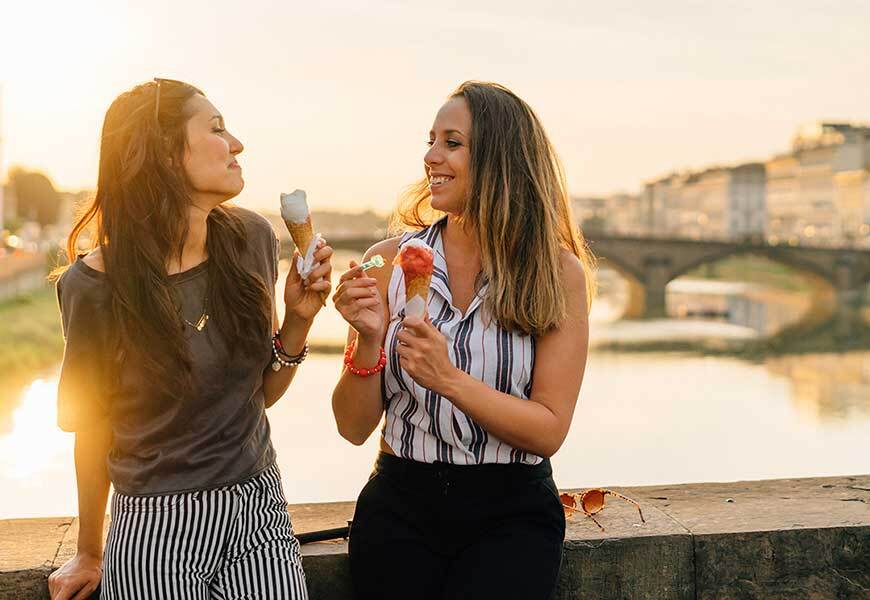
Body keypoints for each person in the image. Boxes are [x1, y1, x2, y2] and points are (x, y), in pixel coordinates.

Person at [47, 78, 331, 600]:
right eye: (218, 129)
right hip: (155, 523)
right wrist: (90, 549)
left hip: (259, 510)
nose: (238, 144)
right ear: (162, 152)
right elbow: (92, 428)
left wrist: (299, 319)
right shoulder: (93, 285)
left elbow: (260, 394)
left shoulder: (252, 240)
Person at [331, 80, 594, 600]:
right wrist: (366, 340)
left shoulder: (555, 273)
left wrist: (447, 379)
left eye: (452, 143)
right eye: (431, 141)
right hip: (399, 504)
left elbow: (548, 431)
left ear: (501, 159)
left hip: (511, 514)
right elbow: (351, 426)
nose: (431, 156)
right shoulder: (389, 261)